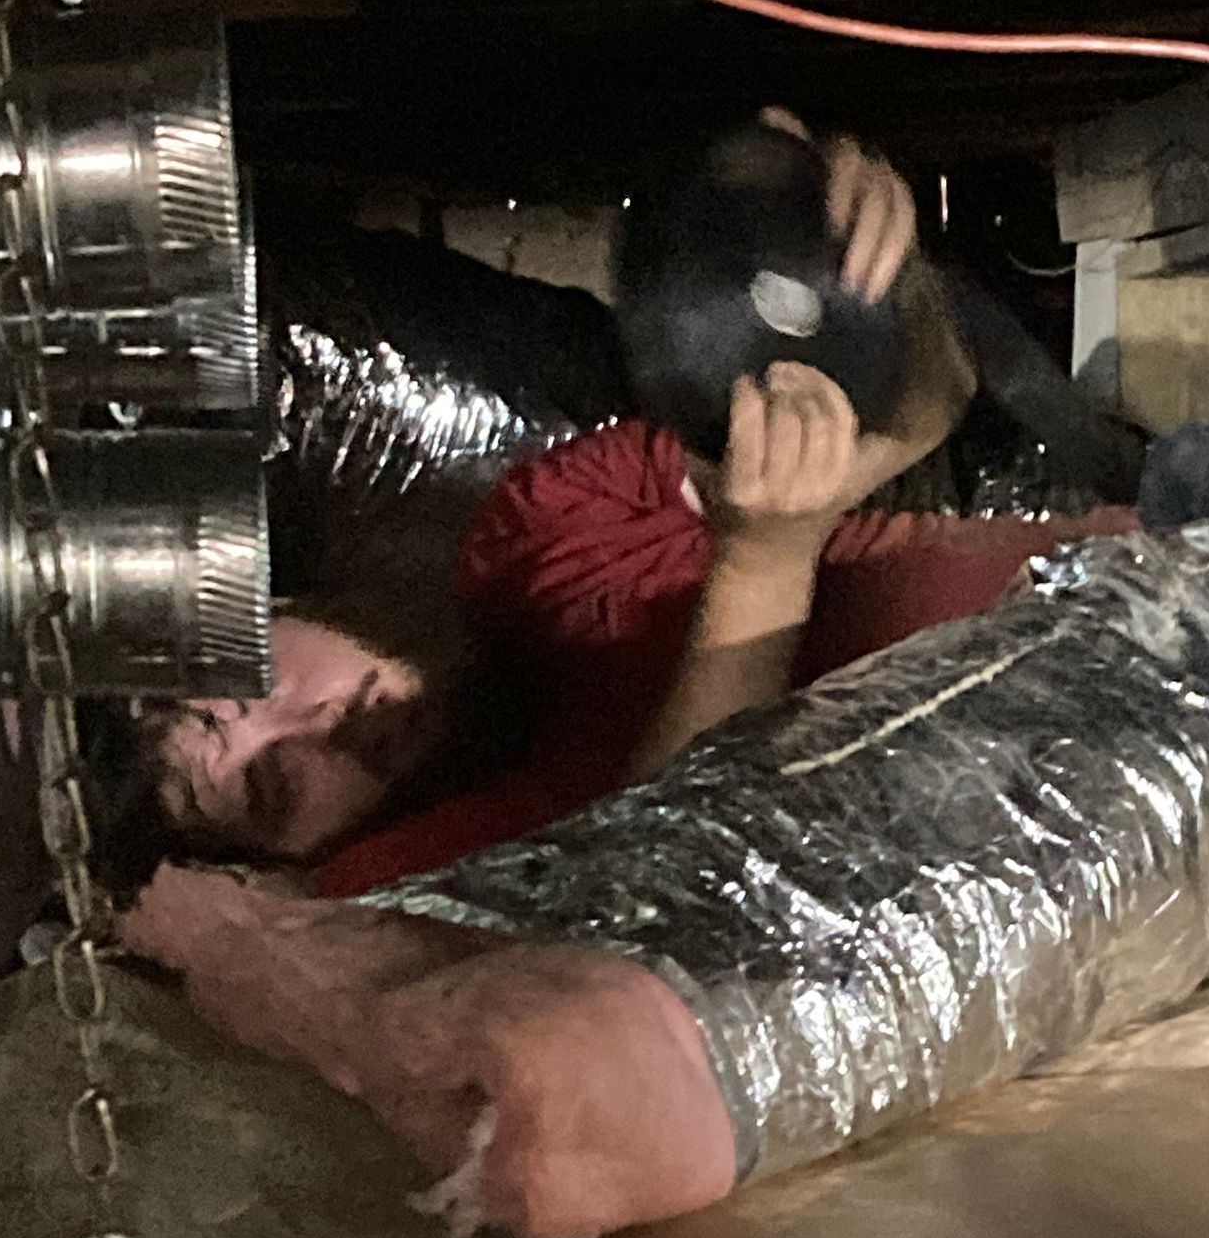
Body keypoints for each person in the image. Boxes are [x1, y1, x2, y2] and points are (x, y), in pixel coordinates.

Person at [106, 110, 1140, 923]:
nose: (322, 728)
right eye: (275, 790)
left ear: (273, 605)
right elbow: (680, 889)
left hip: (1151, 582)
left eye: (249, 689)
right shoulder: (417, 881)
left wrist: (872, 287)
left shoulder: (549, 526)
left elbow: (919, 414)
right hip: (1116, 787)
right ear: (278, 868)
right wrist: (763, 563)